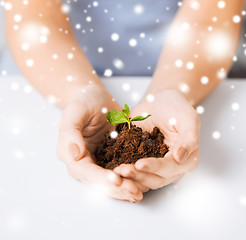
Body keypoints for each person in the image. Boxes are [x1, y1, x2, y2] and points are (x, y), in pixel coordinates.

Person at [5, 0, 245, 203]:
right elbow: (33, 17)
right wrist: (80, 93)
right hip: (54, 71)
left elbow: (211, 17)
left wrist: (172, 90)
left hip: (189, 68)